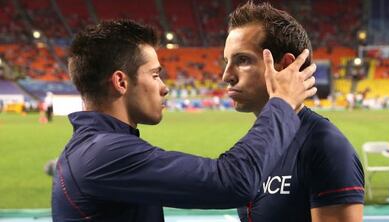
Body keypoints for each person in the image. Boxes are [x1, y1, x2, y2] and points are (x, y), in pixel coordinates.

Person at [51, 20, 317, 221]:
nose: (164, 87)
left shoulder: (95, 148)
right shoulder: (103, 154)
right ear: (121, 82)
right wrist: (281, 103)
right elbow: (234, 181)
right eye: (155, 75)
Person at [222, 2, 364, 222]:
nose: (226, 75)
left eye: (242, 60)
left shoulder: (326, 147)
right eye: (226, 61)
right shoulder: (259, 141)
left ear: (285, 65)